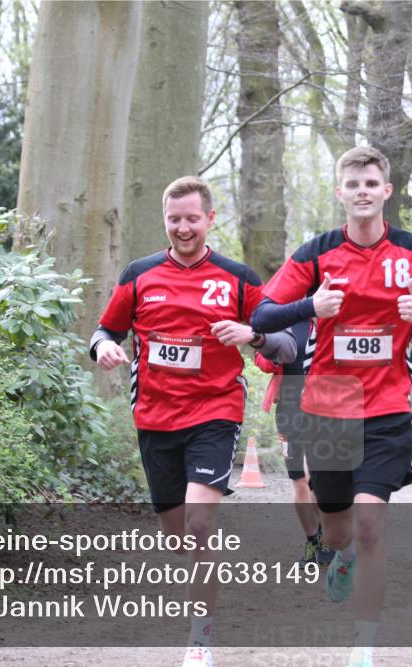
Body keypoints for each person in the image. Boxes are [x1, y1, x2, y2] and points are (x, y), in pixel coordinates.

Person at [250, 146, 412, 667]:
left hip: (385, 410)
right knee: (337, 530)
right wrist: (311, 305)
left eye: (371, 183)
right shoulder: (316, 254)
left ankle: (365, 643)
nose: (362, 191)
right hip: (328, 409)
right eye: (353, 183)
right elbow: (262, 313)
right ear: (341, 192)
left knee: (372, 522)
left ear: (386, 191)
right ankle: (343, 555)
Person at [90, 176, 296, 667]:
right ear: (165, 221)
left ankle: (200, 639)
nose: (183, 228)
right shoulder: (140, 274)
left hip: (214, 413)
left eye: (192, 218)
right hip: (155, 417)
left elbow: (286, 343)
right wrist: (103, 347)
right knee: (179, 538)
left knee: (201, 527)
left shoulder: (238, 278)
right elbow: (105, 328)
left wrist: (251, 334)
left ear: (210, 219)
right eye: (174, 219)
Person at [254, 319, 336, 567]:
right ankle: (312, 540)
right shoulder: (287, 321)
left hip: (323, 407)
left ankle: (327, 537)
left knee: (318, 478)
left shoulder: (331, 320)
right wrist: (274, 357)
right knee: (299, 481)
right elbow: (261, 358)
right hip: (289, 408)